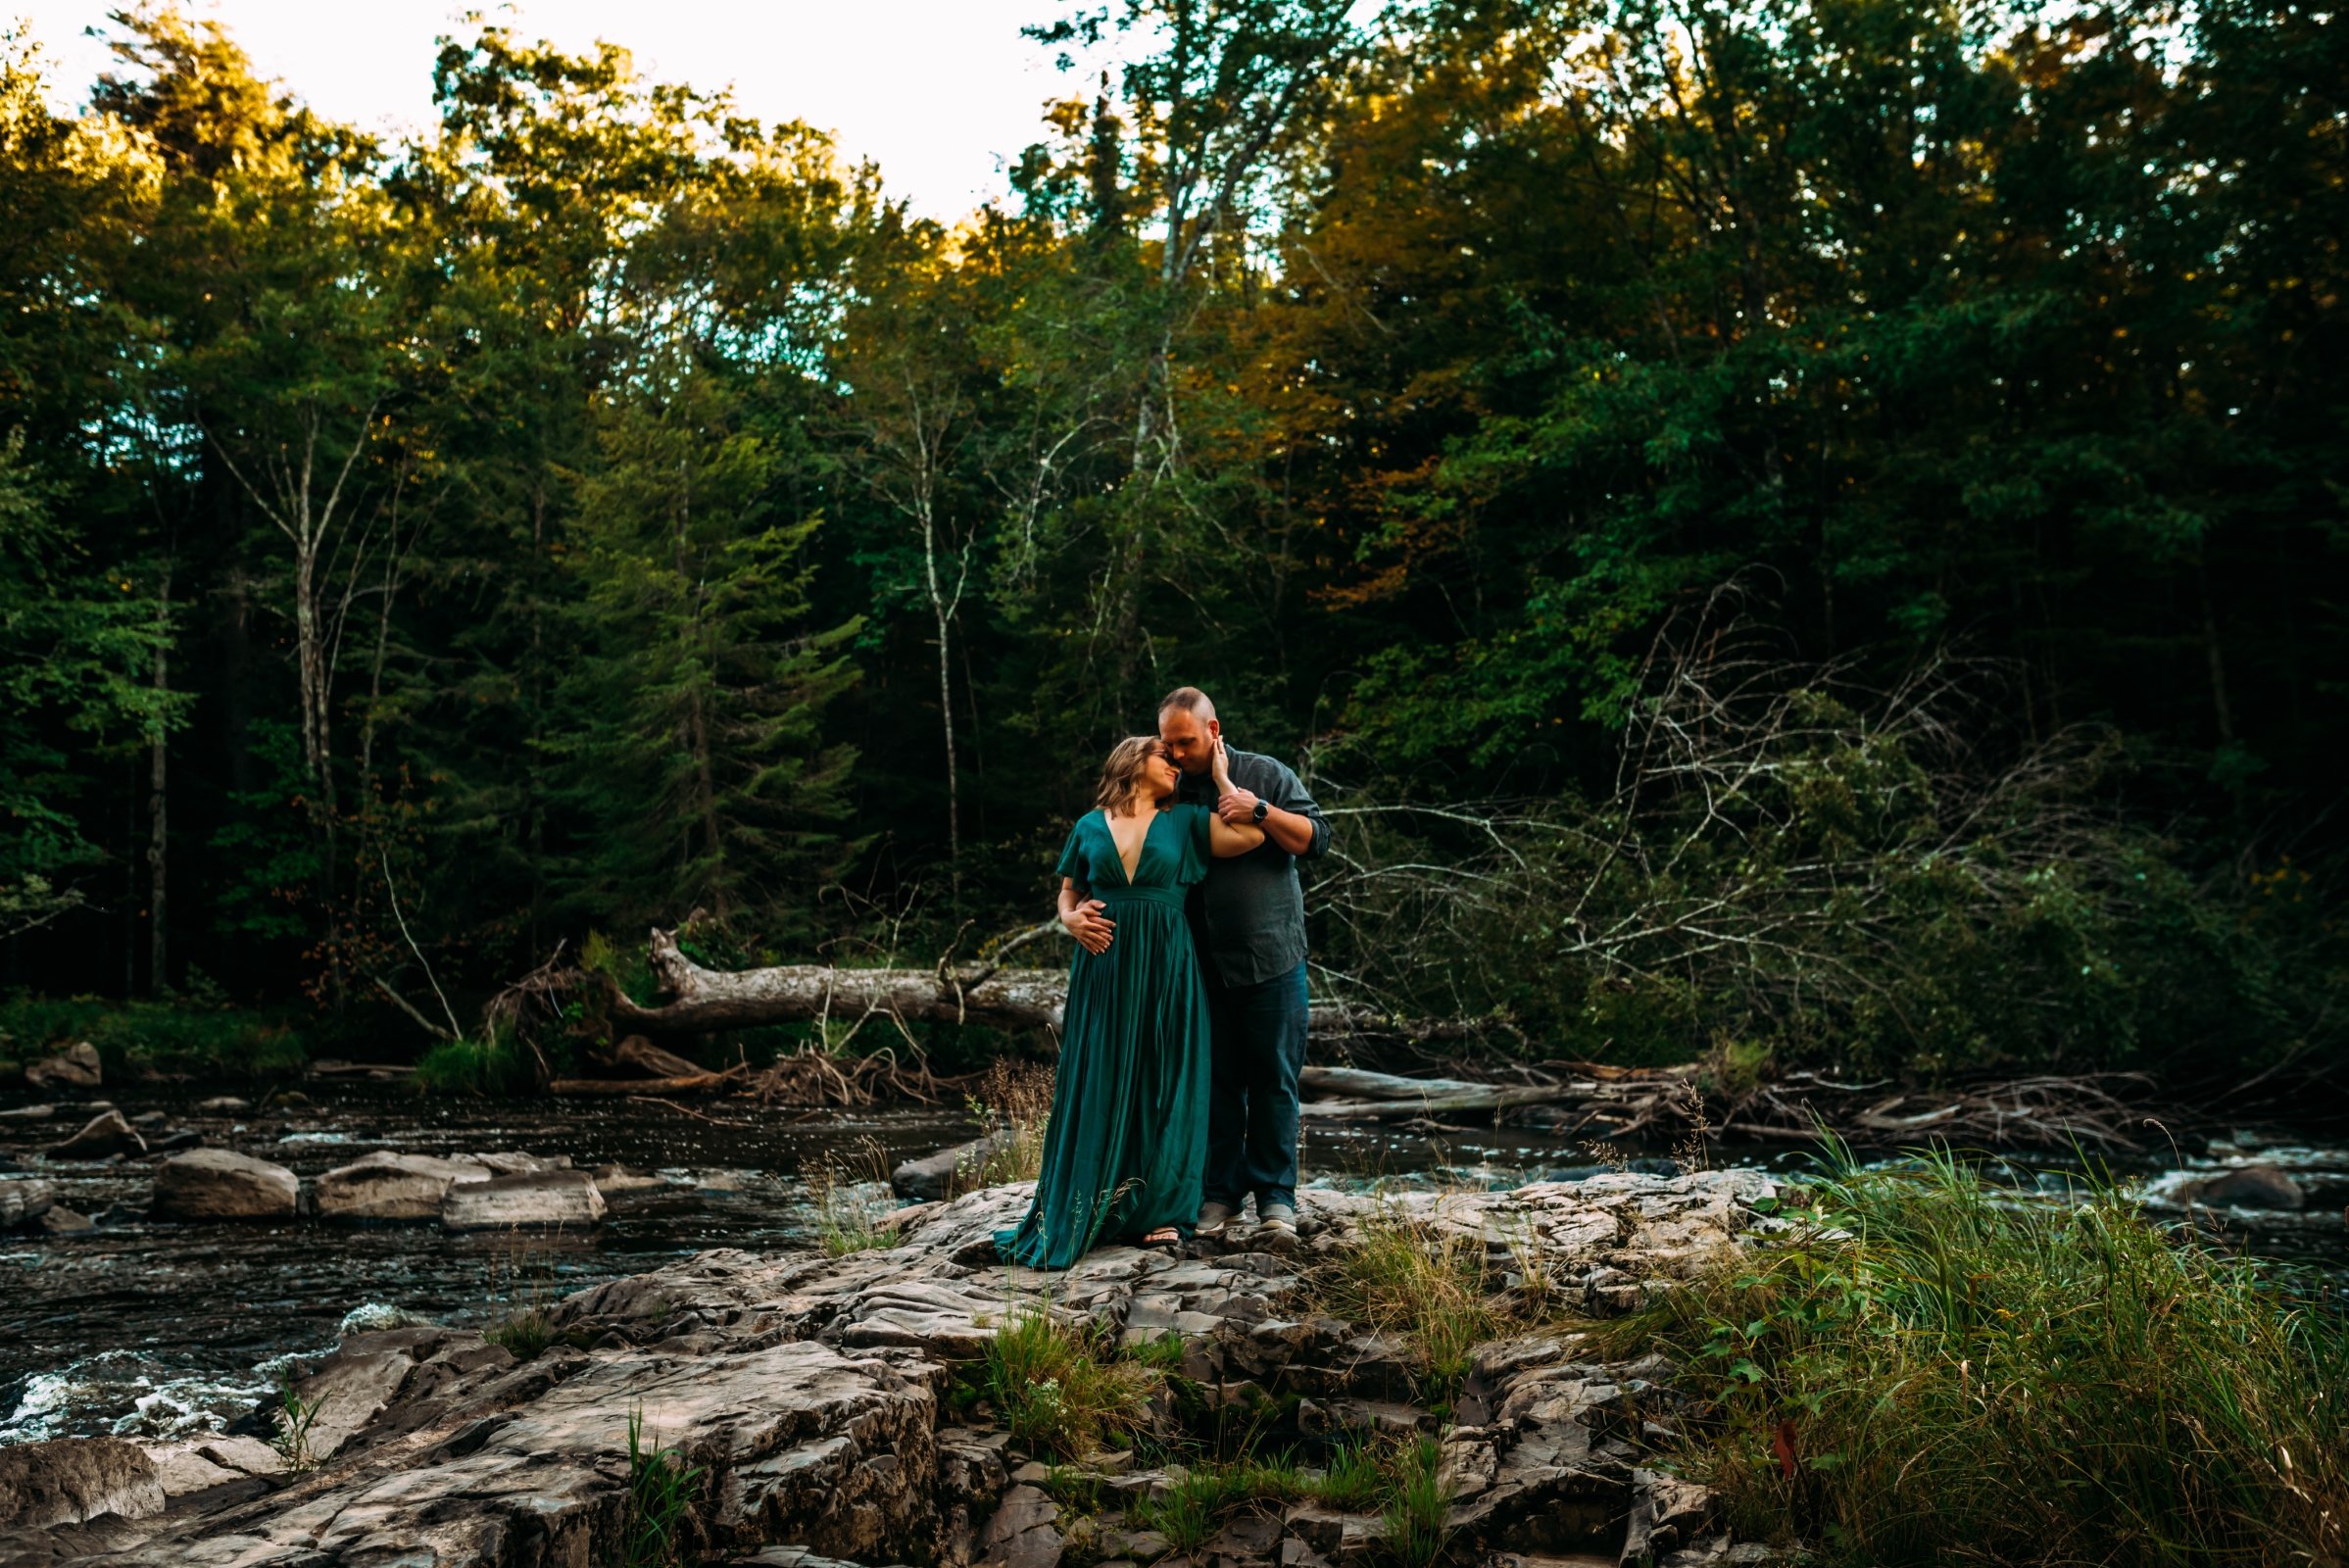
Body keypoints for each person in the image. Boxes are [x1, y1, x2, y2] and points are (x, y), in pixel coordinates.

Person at [998, 731, 1265, 1267]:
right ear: (1132, 761)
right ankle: (1093, 1201)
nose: (1174, 766)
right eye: (1164, 757)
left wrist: (1218, 778)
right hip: (1105, 968)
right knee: (1101, 1075)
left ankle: (1160, 1213)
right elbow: (1068, 891)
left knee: (1165, 1077)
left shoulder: (1186, 821)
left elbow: (1249, 837)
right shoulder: (1089, 825)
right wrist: (1070, 919)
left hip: (1167, 964)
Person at [1152, 687, 1327, 1242]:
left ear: (1213, 729)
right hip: (1198, 965)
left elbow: (1315, 839)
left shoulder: (1265, 773)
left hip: (1271, 956)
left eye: (1185, 741)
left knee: (1274, 1080)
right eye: (1169, 743)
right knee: (1217, 1083)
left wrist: (1255, 807)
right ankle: (1219, 1196)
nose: (1177, 753)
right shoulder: (1165, 788)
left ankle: (1276, 1200)